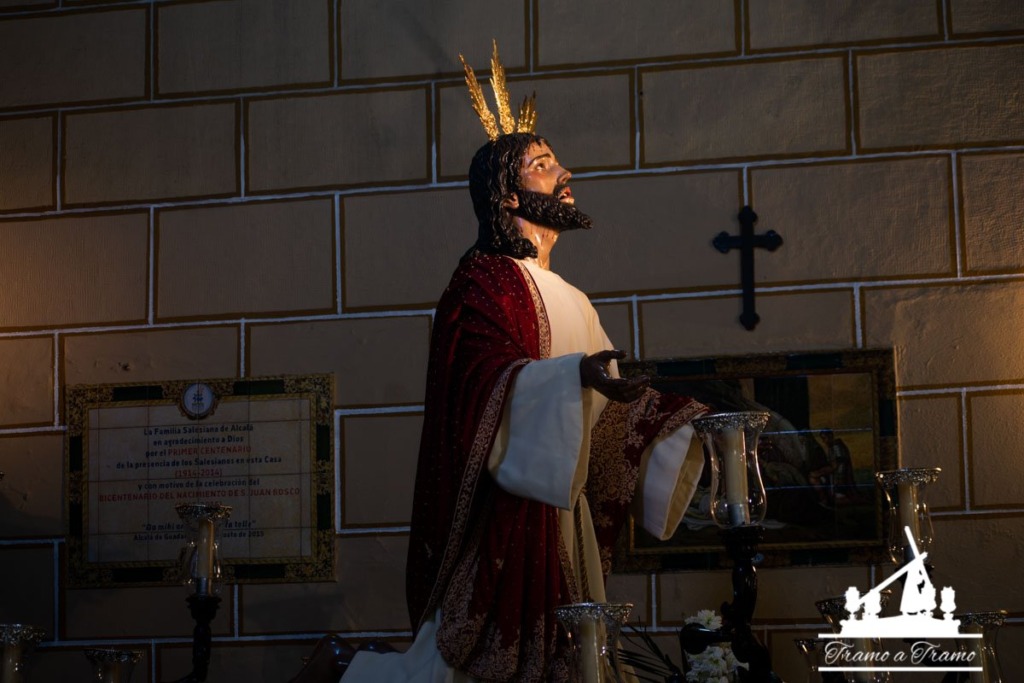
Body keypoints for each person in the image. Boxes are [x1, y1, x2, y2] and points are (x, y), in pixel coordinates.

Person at [293, 44, 709, 683]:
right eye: (543, 165)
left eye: (555, 161)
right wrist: (569, 380)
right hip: (511, 515)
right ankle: (344, 669)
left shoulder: (573, 298)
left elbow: (610, 405)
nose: (564, 172)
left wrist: (680, 422)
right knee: (455, 675)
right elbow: (477, 382)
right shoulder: (483, 280)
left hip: (561, 516)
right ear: (509, 195)